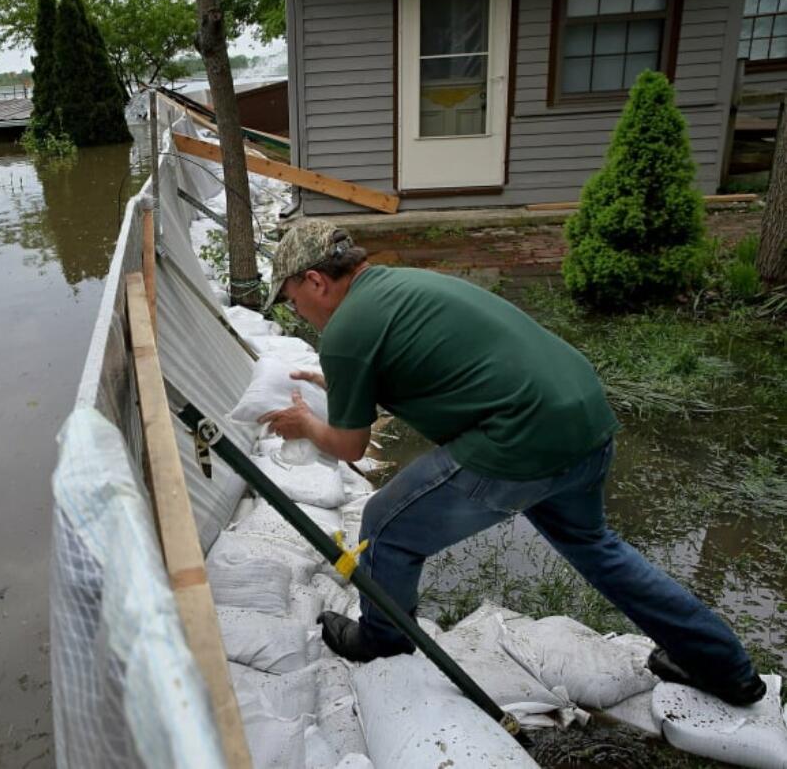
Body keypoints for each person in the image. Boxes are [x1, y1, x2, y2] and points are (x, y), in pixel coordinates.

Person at [256, 221, 766, 706]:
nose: (297, 312)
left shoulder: (348, 328)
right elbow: (429, 368)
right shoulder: (398, 283)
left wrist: (306, 426)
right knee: (597, 548)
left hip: (521, 438)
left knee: (386, 526)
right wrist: (343, 390)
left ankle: (382, 639)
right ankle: (727, 668)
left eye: (293, 301)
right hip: (582, 416)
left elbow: (348, 447)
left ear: (316, 280)